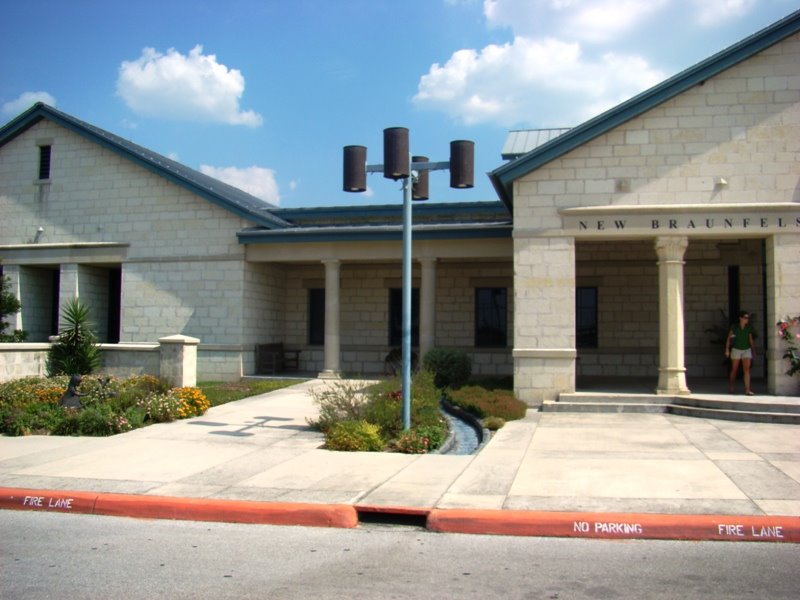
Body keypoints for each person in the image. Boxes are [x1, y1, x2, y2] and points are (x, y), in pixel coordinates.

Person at [724, 311, 755, 395]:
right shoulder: (735, 327)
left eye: (748, 318)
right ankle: (731, 386)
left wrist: (753, 350)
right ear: (740, 318)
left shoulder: (748, 327)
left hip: (746, 349)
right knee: (734, 369)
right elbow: (729, 338)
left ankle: (747, 389)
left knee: (747, 370)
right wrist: (727, 349)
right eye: (745, 317)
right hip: (736, 349)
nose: (747, 319)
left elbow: (750, 340)